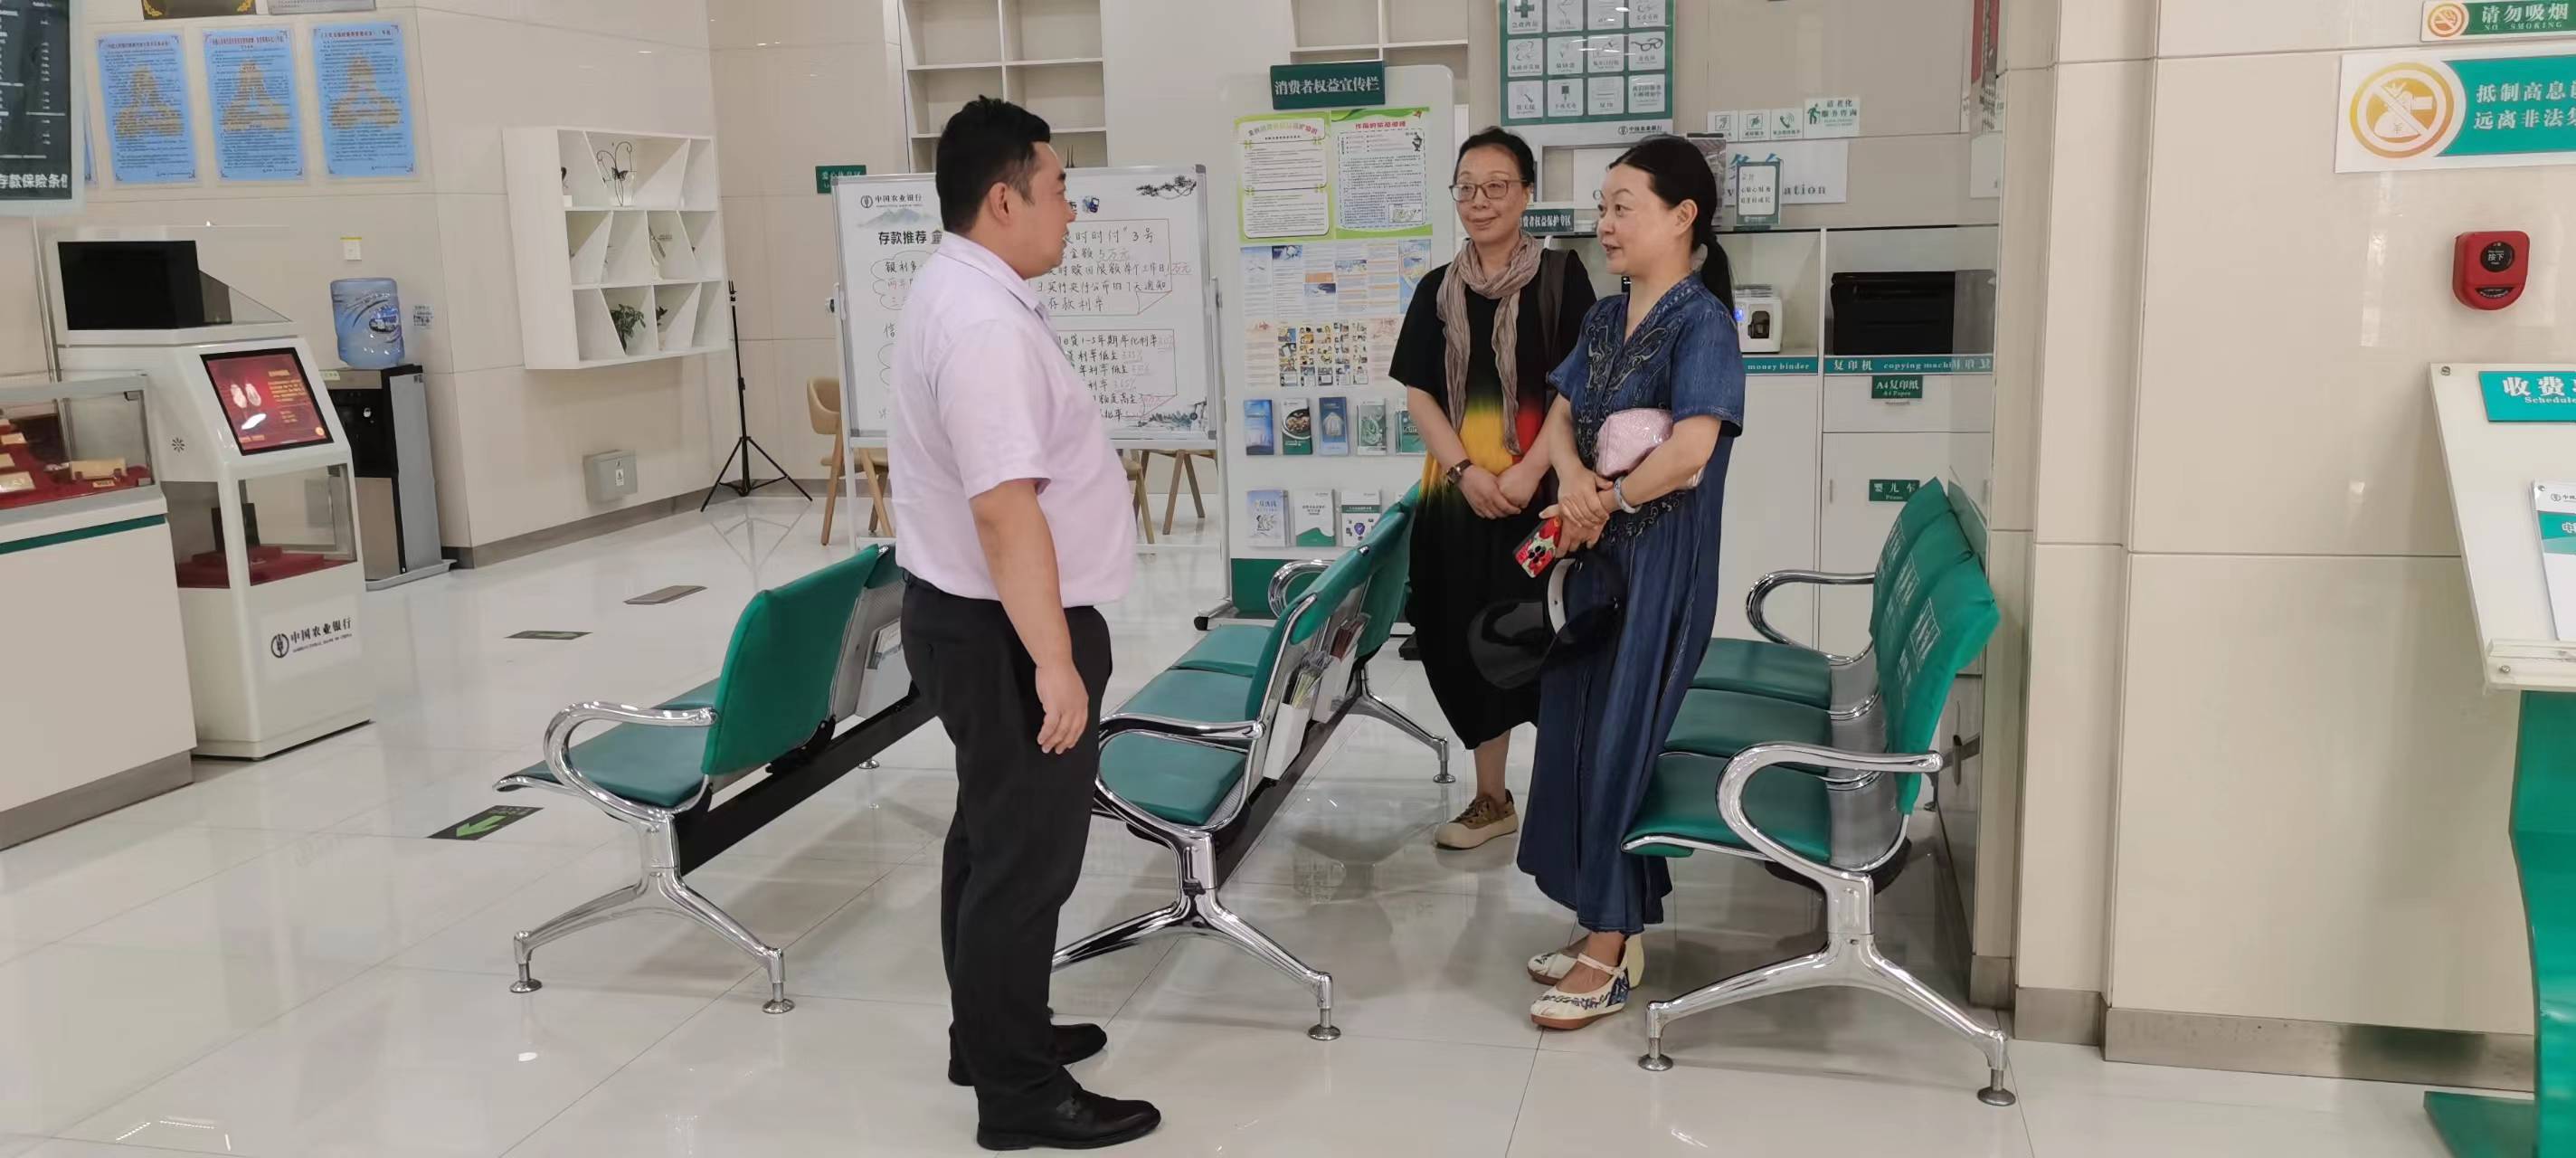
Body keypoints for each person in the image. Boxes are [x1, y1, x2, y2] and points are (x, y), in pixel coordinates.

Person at [890, 96, 1159, 1151]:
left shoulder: (960, 289)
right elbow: (1004, 509)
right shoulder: (983, 325)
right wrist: (1054, 660)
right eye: (1057, 189)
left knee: (990, 836)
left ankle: (991, 1032)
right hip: (1005, 629)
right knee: (1025, 859)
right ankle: (1018, 1092)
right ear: (1003, 200)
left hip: (976, 616)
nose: (1070, 210)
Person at [1518, 135, 1746, 1030]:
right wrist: (1575, 479)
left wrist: (1603, 499)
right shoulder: (1606, 318)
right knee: (1577, 733)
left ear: (1683, 216)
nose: (1604, 223)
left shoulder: (1703, 324)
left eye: (1623, 206)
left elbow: (1690, 455)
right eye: (1602, 207)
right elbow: (1562, 413)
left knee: (1620, 741)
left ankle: (1608, 952)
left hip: (1658, 570)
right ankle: (1607, 914)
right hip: (1596, 561)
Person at [1387, 127, 1596, 852]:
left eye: (1497, 186)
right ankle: (1491, 798)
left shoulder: (1562, 278)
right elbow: (1420, 394)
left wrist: (1530, 470)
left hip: (1545, 498)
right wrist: (1466, 472)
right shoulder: (1436, 291)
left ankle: (1568, 797)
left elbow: (1575, 385)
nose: (1480, 201)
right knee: (1462, 638)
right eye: (1467, 187)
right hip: (1459, 500)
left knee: (1550, 636)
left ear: (1527, 194)